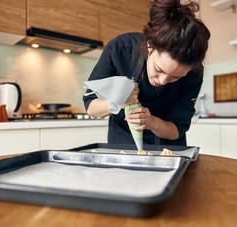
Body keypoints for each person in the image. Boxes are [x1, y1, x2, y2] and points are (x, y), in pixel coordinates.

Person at [83, 0, 210, 146]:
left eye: (176, 77)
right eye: (159, 69)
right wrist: (118, 101)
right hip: (123, 140)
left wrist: (151, 122)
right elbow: (91, 107)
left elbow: (177, 128)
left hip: (168, 145)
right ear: (150, 45)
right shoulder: (119, 49)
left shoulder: (194, 73)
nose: (162, 81)